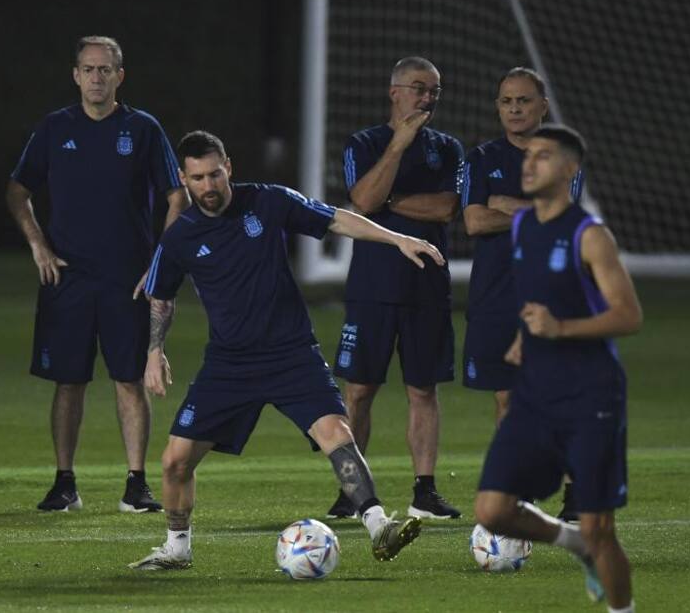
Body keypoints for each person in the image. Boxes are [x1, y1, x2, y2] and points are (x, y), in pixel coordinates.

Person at [129, 130, 438, 570]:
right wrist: (153, 353)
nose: (208, 186)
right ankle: (178, 548)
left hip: (291, 353)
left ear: (228, 167)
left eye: (215, 174)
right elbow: (160, 295)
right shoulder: (179, 237)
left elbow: (335, 218)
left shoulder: (268, 202)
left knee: (338, 435)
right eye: (197, 178)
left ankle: (378, 525)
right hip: (229, 364)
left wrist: (397, 239)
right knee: (175, 461)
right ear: (184, 178)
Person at [7, 36, 188, 512]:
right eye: (88, 69)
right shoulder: (54, 128)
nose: (96, 78)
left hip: (126, 278)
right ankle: (64, 482)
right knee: (69, 380)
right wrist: (38, 244)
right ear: (75, 75)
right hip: (67, 277)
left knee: (129, 379)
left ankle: (136, 484)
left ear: (119, 76)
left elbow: (177, 197)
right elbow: (17, 190)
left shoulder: (143, 129)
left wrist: (159, 263)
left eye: (105, 70)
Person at [474, 124, 640, 612]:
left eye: (543, 156)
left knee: (600, 527)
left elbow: (629, 315)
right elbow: (537, 301)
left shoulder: (591, 236)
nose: (529, 162)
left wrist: (558, 329)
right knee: (492, 509)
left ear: (570, 170)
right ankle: (575, 546)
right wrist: (523, 340)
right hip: (535, 395)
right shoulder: (524, 227)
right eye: (528, 156)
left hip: (591, 396)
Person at [329, 56, 463, 521]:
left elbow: (448, 207)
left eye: (434, 91)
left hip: (427, 284)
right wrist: (398, 148)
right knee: (360, 390)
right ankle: (353, 491)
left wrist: (390, 201)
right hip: (373, 285)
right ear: (395, 92)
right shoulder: (364, 143)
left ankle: (424, 492)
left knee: (423, 390)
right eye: (419, 88)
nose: (427, 99)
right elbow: (361, 201)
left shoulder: (447, 148)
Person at [460, 67, 583, 521]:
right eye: (507, 101)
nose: (515, 109)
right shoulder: (480, 158)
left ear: (543, 106)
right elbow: (473, 221)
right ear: (498, 107)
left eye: (524, 101)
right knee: (506, 399)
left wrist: (505, 206)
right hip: (494, 297)